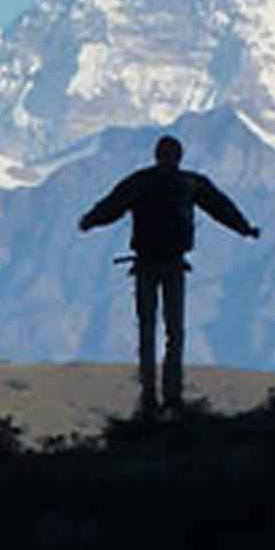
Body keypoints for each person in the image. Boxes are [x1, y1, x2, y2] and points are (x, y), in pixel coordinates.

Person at [77, 135, 261, 413]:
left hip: (146, 266)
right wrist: (244, 228)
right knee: (174, 333)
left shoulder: (140, 181)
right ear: (179, 157)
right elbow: (220, 207)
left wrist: (89, 221)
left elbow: (111, 206)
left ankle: (150, 395)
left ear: (157, 156)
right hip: (173, 266)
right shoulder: (190, 183)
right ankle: (171, 396)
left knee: (147, 331)